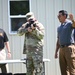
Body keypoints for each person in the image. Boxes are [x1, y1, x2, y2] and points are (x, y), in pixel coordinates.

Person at [54, 10, 75, 75]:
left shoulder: (69, 24)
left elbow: (74, 25)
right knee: (63, 69)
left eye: (59, 16)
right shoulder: (59, 27)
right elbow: (58, 40)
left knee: (71, 68)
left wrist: (73, 20)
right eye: (58, 16)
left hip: (69, 48)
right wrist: (56, 51)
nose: (58, 17)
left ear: (64, 16)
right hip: (62, 49)